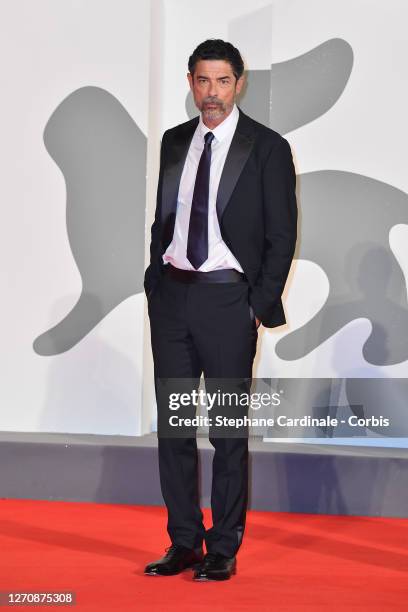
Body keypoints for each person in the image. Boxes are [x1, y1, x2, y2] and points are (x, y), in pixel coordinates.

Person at [144, 39, 297, 581]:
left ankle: (222, 547)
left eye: (222, 81)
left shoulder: (267, 148)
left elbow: (282, 235)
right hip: (173, 298)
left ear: (239, 83)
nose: (212, 93)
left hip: (229, 300)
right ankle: (183, 540)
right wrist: (156, 282)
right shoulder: (173, 142)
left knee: (227, 430)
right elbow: (166, 218)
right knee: (175, 427)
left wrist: (257, 303)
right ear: (190, 81)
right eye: (202, 81)